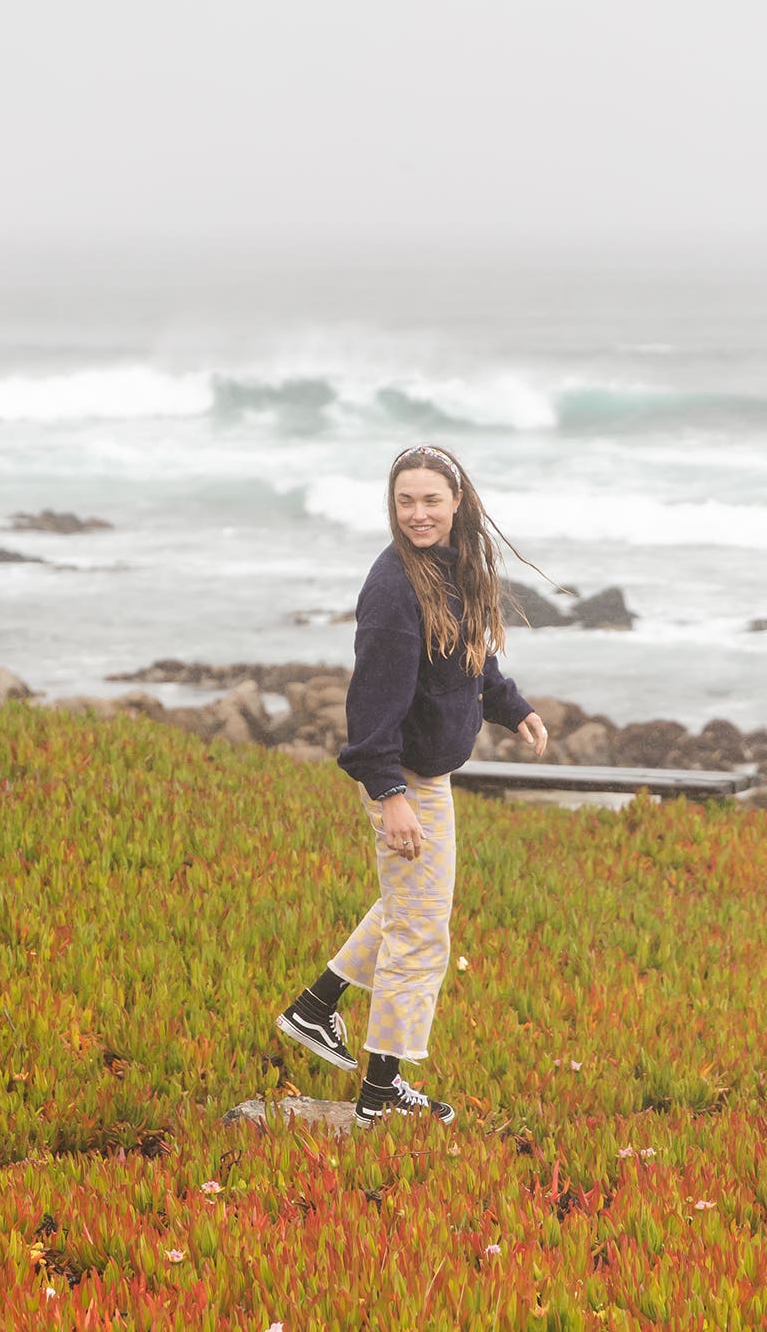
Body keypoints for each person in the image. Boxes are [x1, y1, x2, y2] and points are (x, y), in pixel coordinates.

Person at [275, 442, 554, 1126]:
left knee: (409, 910)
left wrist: (511, 706)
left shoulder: (456, 566)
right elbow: (371, 702)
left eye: (431, 500)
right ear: (392, 505)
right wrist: (389, 793)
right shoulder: (395, 586)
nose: (418, 514)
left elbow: (471, 655)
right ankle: (378, 1099)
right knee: (421, 935)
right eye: (406, 502)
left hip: (427, 774)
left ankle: (314, 1009)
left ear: (457, 503)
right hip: (403, 777)